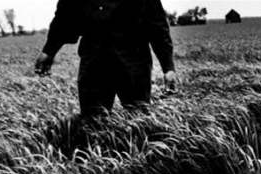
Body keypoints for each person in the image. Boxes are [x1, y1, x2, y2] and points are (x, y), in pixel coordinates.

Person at [34, 0, 176, 116]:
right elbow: (64, 16)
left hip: (134, 60)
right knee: (92, 122)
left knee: (138, 118)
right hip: (94, 60)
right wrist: (49, 51)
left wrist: (168, 67)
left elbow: (157, 24)